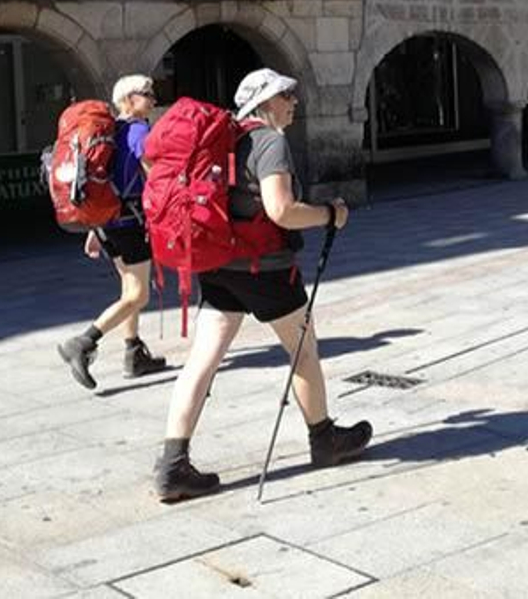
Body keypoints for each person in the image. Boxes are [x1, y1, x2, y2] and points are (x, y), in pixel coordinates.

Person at [151, 68, 372, 502]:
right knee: (303, 352)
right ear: (266, 101)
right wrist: (331, 213)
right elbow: (281, 210)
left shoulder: (224, 140)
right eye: (286, 94)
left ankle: (172, 464)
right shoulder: (269, 142)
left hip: (218, 265)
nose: (293, 101)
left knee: (203, 360)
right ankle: (324, 440)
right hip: (266, 269)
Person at [56, 75, 169, 389]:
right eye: (148, 94)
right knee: (138, 294)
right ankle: (83, 342)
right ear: (130, 99)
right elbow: (153, 174)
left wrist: (95, 225)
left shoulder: (110, 132)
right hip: (131, 223)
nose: (153, 100)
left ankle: (134, 352)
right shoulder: (138, 130)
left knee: (128, 289)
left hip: (108, 223)